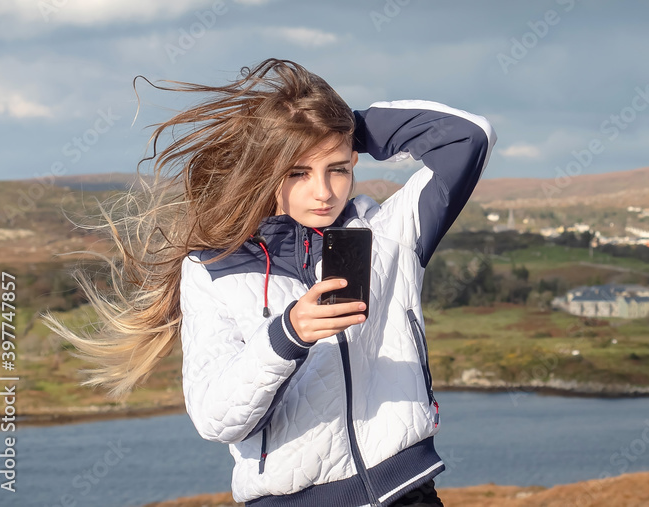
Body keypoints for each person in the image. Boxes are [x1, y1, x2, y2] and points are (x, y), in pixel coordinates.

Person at [40, 59, 498, 507]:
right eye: (298, 172)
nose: (323, 191)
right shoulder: (212, 268)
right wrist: (288, 335)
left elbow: (468, 136)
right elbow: (217, 419)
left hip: (406, 490)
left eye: (337, 167)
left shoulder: (390, 234)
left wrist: (337, 124)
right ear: (264, 169)